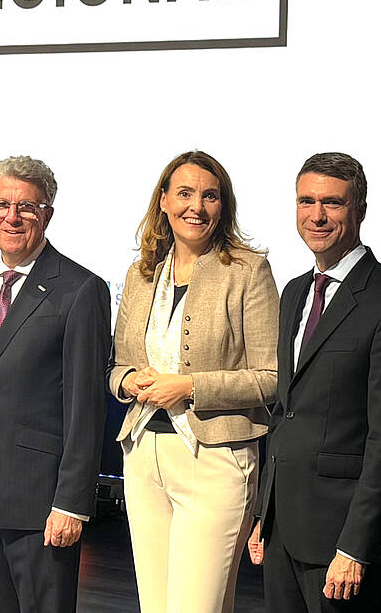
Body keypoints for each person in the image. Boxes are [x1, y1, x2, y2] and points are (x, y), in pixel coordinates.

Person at [249, 152, 381, 612]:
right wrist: (263, 515)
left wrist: (356, 546)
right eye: (306, 201)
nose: (316, 215)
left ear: (360, 210)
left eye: (332, 203)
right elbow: (286, 413)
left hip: (341, 543)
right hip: (282, 532)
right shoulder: (294, 292)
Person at [0, 155, 110, 613]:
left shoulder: (80, 289)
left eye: (26, 207)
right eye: (2, 206)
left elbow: (85, 409)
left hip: (40, 505)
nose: (12, 217)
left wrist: (71, 503)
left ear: (46, 215)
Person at [108, 150, 279, 613]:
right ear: (164, 200)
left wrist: (188, 387)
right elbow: (118, 367)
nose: (196, 207)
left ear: (223, 206)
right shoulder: (142, 273)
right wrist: (130, 381)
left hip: (216, 459)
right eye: (184, 193)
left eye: (210, 196)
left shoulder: (247, 271)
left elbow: (271, 378)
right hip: (143, 454)